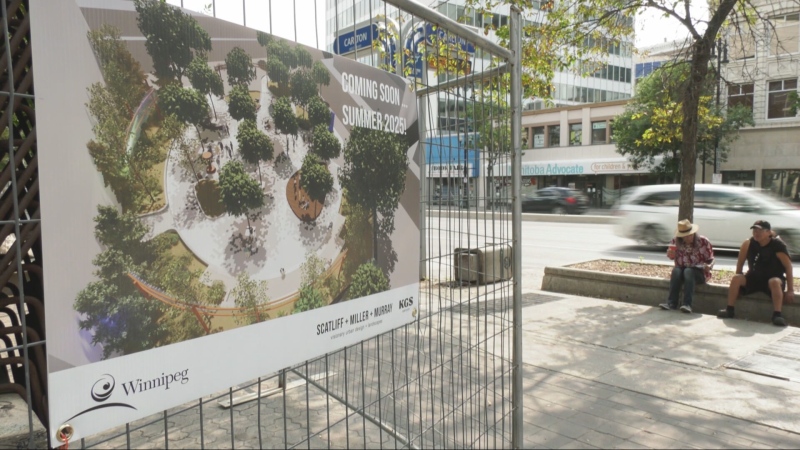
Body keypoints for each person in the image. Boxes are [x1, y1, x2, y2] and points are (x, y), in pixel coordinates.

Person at [718, 220, 794, 326]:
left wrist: (790, 290)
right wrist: (739, 284)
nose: (756, 233)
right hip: (753, 278)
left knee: (774, 281)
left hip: (772, 279)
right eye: (754, 230)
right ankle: (729, 310)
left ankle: (777, 315)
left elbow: (788, 267)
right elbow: (740, 262)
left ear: (768, 232)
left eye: (760, 230)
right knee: (736, 278)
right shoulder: (748, 243)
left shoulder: (778, 245)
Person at [659, 219, 714, 313]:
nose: (688, 238)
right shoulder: (675, 242)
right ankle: (671, 303)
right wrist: (670, 254)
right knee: (676, 270)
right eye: (685, 236)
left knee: (688, 271)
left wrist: (709, 266)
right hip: (681, 270)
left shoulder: (703, 241)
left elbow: (711, 260)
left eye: (690, 235)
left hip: (698, 272)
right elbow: (671, 257)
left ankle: (687, 304)